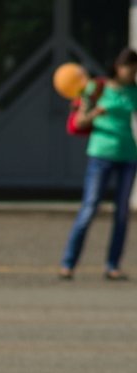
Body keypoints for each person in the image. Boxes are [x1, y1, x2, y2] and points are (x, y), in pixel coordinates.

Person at [58, 47, 137, 281]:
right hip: (101, 154)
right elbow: (79, 121)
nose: (132, 75)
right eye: (129, 70)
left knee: (121, 213)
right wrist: (95, 114)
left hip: (128, 156)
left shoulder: (133, 91)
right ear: (118, 67)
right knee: (89, 208)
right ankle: (68, 263)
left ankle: (112, 265)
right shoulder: (97, 88)